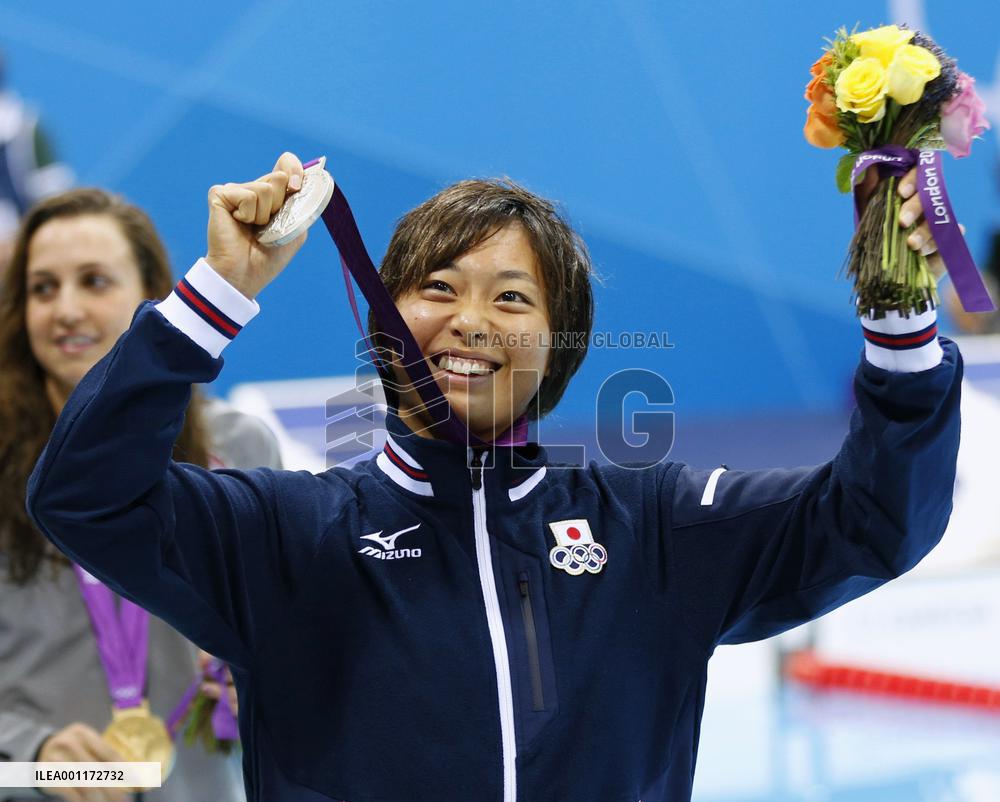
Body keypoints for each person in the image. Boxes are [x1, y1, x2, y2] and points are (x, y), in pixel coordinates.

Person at [26, 154, 961, 802]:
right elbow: (84, 497)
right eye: (437, 287)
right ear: (386, 327)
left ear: (559, 343)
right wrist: (218, 291)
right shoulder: (288, 536)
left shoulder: (653, 528)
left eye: (511, 297)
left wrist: (899, 327)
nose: (471, 319)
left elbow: (872, 519)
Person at [0, 188, 280, 802]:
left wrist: (268, 681)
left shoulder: (239, 447)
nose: (66, 310)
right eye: (43, 289)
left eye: (94, 281)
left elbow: (297, 644)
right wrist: (37, 759)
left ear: (151, 296)